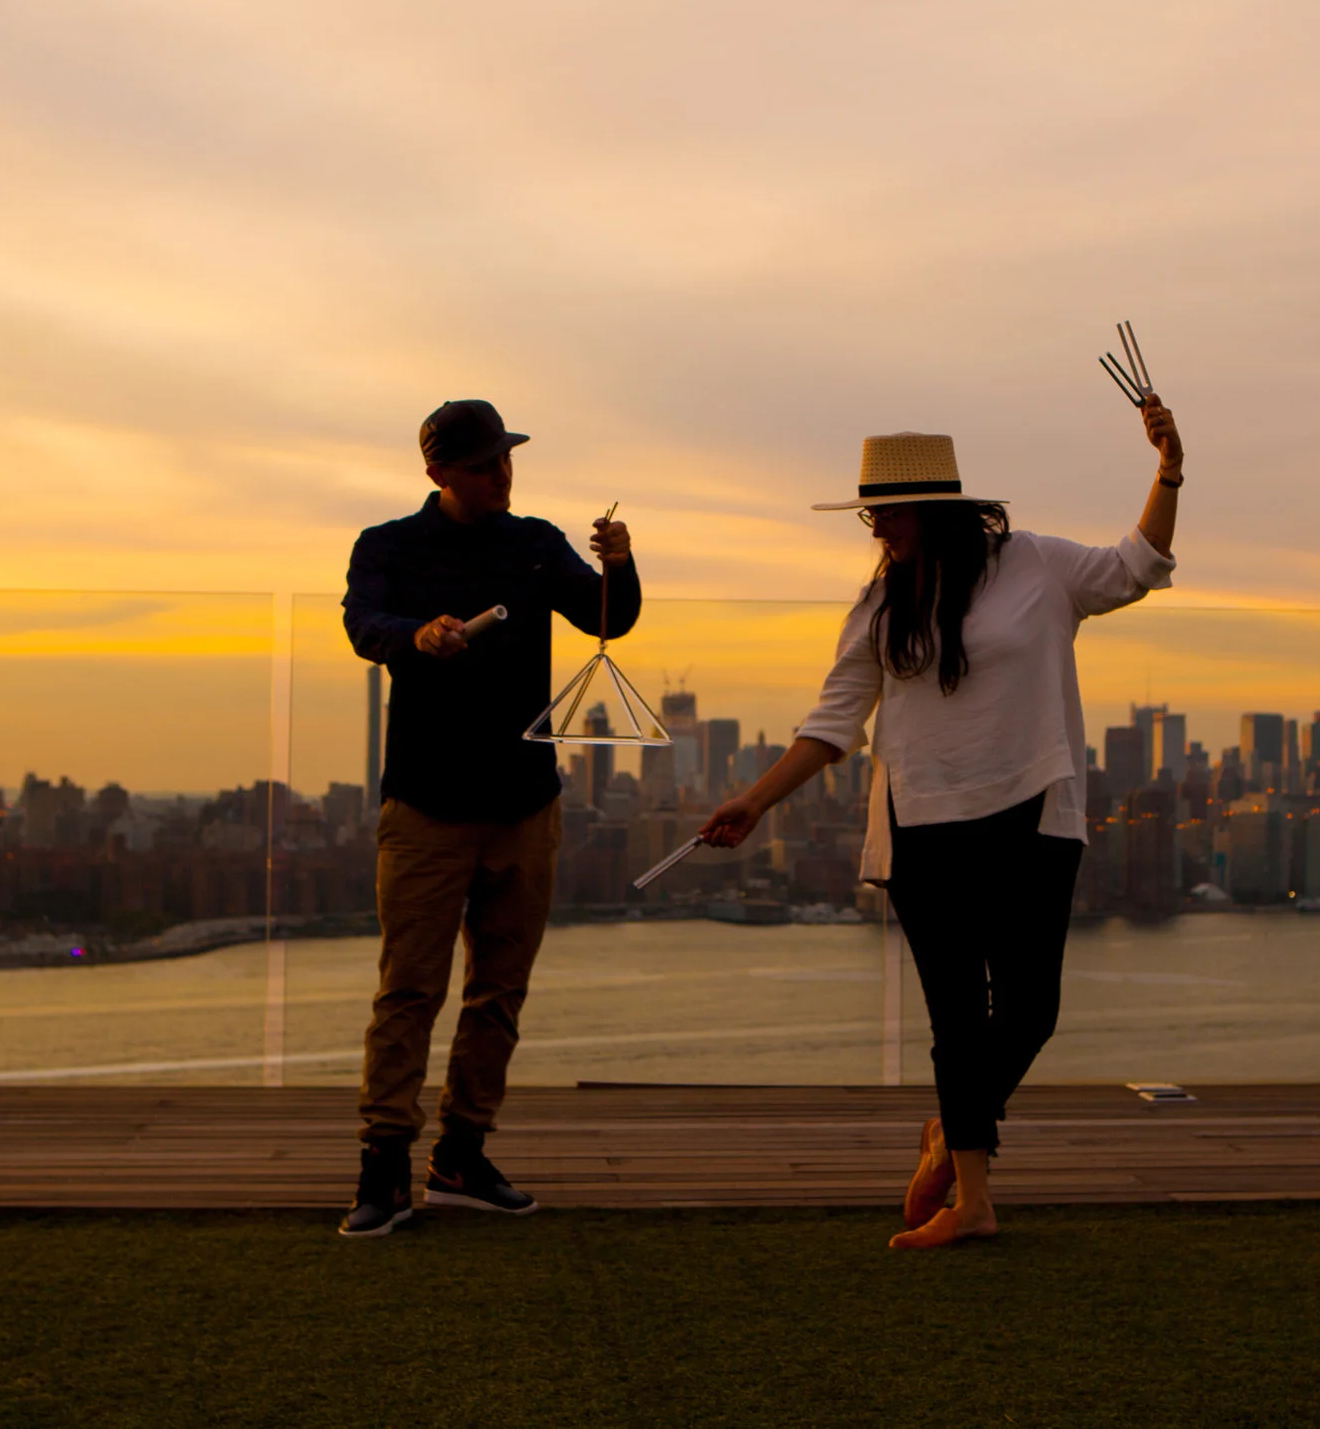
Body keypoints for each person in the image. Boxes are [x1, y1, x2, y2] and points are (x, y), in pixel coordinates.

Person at [700, 396, 1182, 1248]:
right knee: (957, 1018)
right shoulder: (881, 606)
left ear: (934, 508)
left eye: (885, 512)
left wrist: (1168, 469)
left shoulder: (1035, 565)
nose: (875, 527)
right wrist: (754, 800)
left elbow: (1136, 564)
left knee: (1030, 1010)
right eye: (870, 514)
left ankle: (951, 1127)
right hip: (922, 827)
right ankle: (974, 1197)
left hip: (1033, 815)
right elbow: (833, 723)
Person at [335, 398, 638, 1238]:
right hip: (428, 803)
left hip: (523, 802)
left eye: (506, 459)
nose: (501, 475)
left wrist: (620, 561)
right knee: (409, 989)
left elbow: (608, 619)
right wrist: (414, 635)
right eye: (482, 465)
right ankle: (384, 1165)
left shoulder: (534, 542)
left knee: (499, 991)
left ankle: (462, 1153)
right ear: (437, 472)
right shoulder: (387, 544)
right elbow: (363, 623)